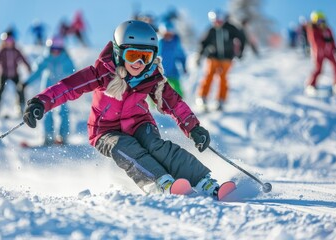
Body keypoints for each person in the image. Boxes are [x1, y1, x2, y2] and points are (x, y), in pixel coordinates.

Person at [22, 20, 232, 199]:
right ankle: (161, 183)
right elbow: (68, 87)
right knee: (126, 147)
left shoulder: (152, 79)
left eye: (145, 57)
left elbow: (175, 104)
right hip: (104, 131)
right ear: (119, 52)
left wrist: (193, 128)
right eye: (133, 56)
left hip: (140, 123)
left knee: (157, 146)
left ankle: (204, 182)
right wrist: (41, 102)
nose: (139, 63)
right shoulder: (102, 73)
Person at [23, 36, 75, 145]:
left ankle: (63, 136)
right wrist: (26, 82)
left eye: (58, 49)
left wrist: (73, 85)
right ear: (49, 48)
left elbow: (73, 73)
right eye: (53, 49)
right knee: (46, 112)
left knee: (63, 111)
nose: (56, 52)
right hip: (47, 91)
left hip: (62, 90)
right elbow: (36, 72)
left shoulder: (66, 59)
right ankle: (48, 136)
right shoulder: (45, 59)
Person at [195, 10, 245, 112]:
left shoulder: (230, 28)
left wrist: (240, 52)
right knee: (209, 75)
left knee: (223, 78)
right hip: (213, 57)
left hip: (227, 58)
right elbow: (203, 43)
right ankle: (202, 98)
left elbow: (241, 37)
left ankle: (220, 100)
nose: (217, 23)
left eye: (219, 20)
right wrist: (200, 56)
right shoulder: (211, 30)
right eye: (215, 21)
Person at [0, 32, 31, 118]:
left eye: (11, 40)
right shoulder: (2, 51)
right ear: (3, 42)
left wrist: (28, 66)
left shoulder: (16, 51)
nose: (9, 43)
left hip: (15, 74)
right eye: (7, 40)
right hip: (4, 74)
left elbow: (23, 59)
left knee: (20, 88)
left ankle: (20, 106)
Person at [305, 11, 336, 96]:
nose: (321, 23)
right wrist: (324, 40)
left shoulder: (328, 29)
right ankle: (311, 85)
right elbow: (315, 41)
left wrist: (335, 49)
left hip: (329, 51)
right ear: (315, 21)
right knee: (319, 69)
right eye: (319, 21)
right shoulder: (313, 29)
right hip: (319, 53)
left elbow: (332, 40)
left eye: (323, 21)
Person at [157, 21, 187, 97]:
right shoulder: (160, 43)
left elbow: (181, 56)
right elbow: (155, 55)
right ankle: (153, 105)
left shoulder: (175, 43)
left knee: (176, 87)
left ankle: (180, 102)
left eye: (170, 34)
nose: (168, 36)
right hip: (160, 71)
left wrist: (184, 66)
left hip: (172, 71)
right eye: (166, 34)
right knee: (157, 88)